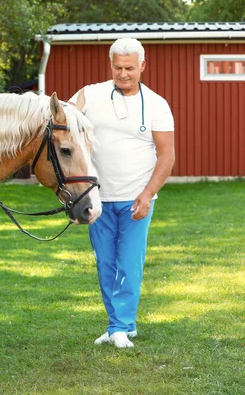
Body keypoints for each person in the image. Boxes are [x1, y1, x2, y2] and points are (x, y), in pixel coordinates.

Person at [68, 38, 175, 348]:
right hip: (97, 198)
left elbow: (166, 156)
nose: (124, 73)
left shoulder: (156, 104)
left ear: (142, 66)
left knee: (128, 263)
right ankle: (120, 325)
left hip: (136, 199)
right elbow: (63, 126)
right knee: (106, 264)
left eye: (130, 68)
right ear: (110, 65)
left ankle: (120, 325)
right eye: (118, 67)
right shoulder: (89, 95)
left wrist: (147, 194)